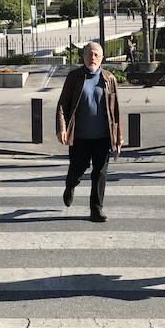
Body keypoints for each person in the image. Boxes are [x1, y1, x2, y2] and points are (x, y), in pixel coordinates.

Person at [56, 42, 123, 222]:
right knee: (77, 171)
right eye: (89, 54)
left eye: (96, 55)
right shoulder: (74, 77)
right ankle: (70, 186)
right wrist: (62, 128)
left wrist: (118, 138)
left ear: (102, 58)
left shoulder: (109, 79)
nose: (92, 58)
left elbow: (115, 111)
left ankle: (96, 210)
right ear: (83, 56)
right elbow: (63, 104)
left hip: (103, 137)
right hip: (79, 137)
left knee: (100, 174)